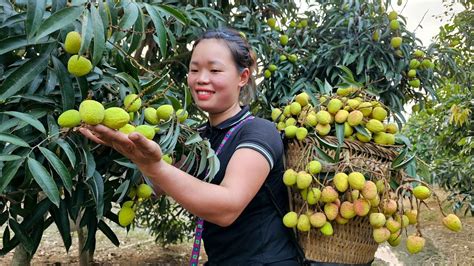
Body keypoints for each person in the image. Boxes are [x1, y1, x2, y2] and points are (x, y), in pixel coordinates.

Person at [79, 27, 299, 265]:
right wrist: (118, 148)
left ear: (243, 77)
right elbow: (157, 186)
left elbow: (227, 207)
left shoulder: (259, 132)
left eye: (214, 70)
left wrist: (154, 166)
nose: (201, 79)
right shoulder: (195, 138)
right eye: (194, 70)